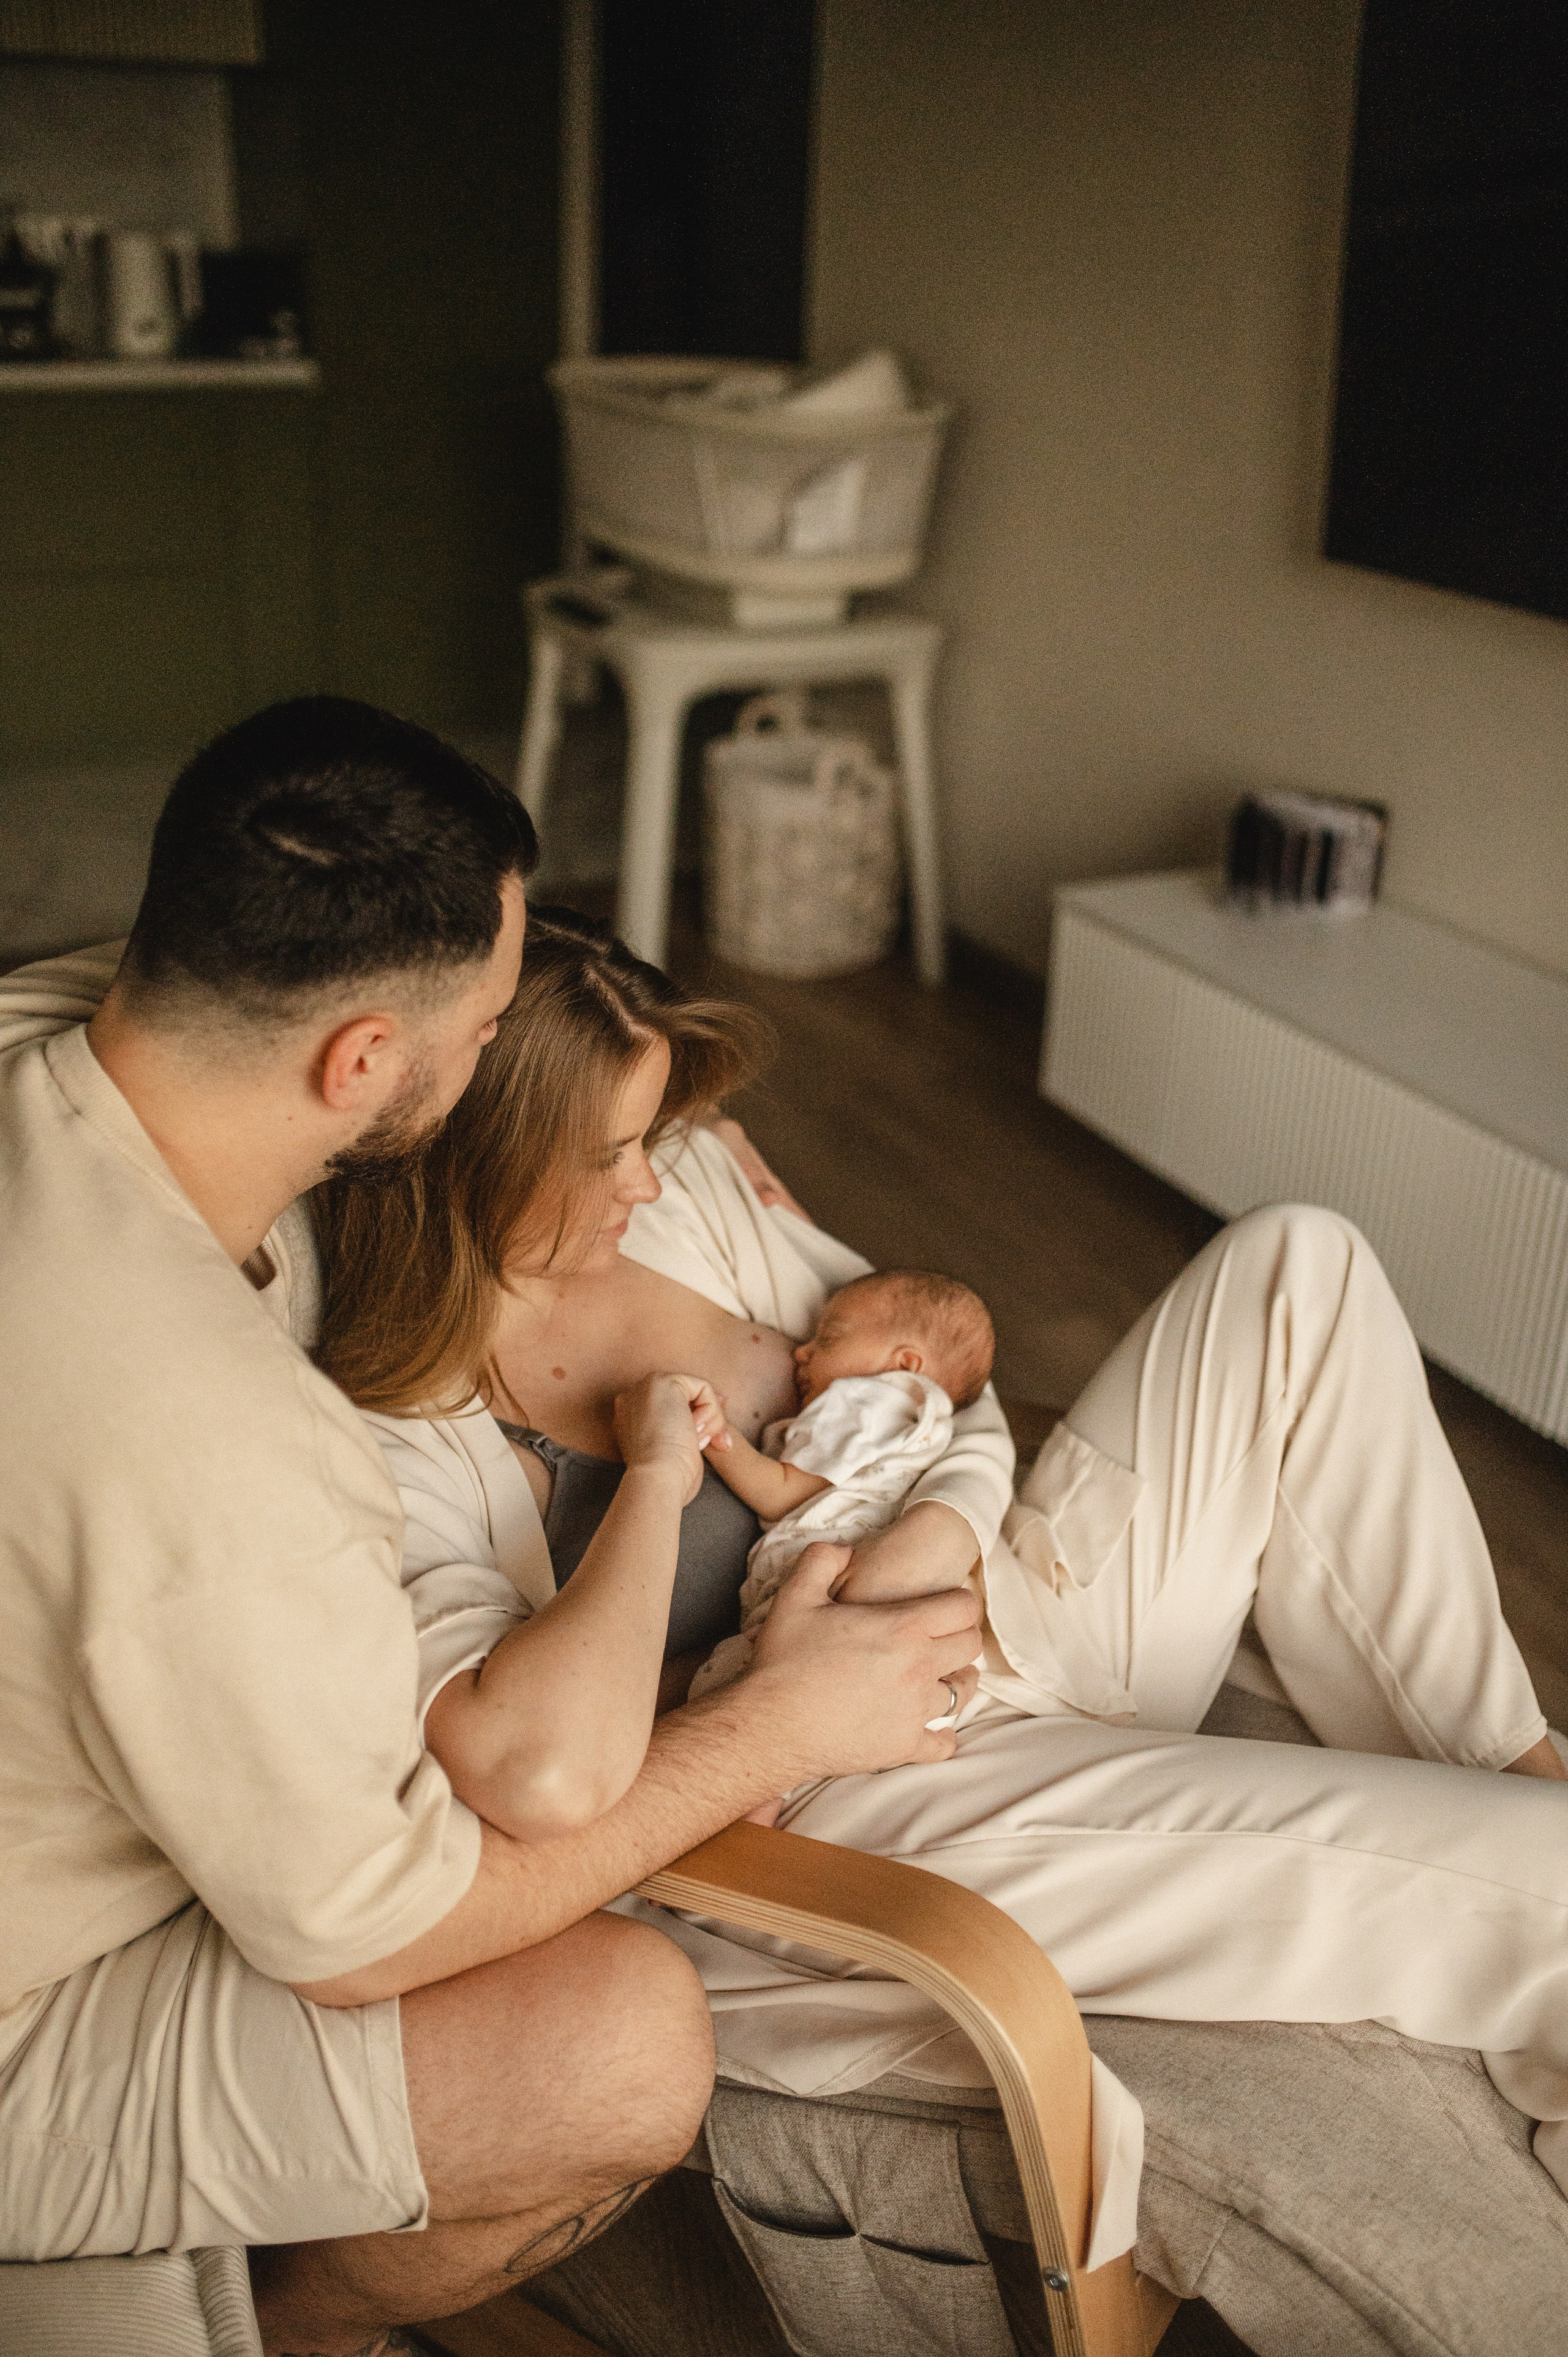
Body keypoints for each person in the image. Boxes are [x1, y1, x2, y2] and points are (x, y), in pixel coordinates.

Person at [314, 906, 1568, 2273]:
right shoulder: (392, 1416)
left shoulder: (689, 1208)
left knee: (1297, 1263)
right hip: (858, 1786)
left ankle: (1515, 1758)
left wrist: (951, 1536)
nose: (654, 1180)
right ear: (483, 1159)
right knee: (1540, 1887)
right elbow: (530, 1768)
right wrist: (761, 1683)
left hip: (1001, 1610)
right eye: (609, 1152)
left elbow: (935, 1371)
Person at [0, 706, 981, 2357]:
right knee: (619, 2046)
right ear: (364, 1065)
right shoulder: (223, 1441)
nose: (489, 1049)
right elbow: (370, 1934)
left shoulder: (60, 1031)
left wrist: (662, 1152)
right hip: (33, 2019)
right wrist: (776, 1725)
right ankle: (309, 2336)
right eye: (479, 1026)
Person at [689, 1269, 997, 1699]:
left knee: (723, 1689)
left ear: (905, 1364)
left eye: (828, 1340)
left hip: (825, 1581)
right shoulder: (926, 1424)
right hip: (880, 1598)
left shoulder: (868, 1400)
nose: (801, 1353)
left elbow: (781, 1493)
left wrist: (713, 1432)